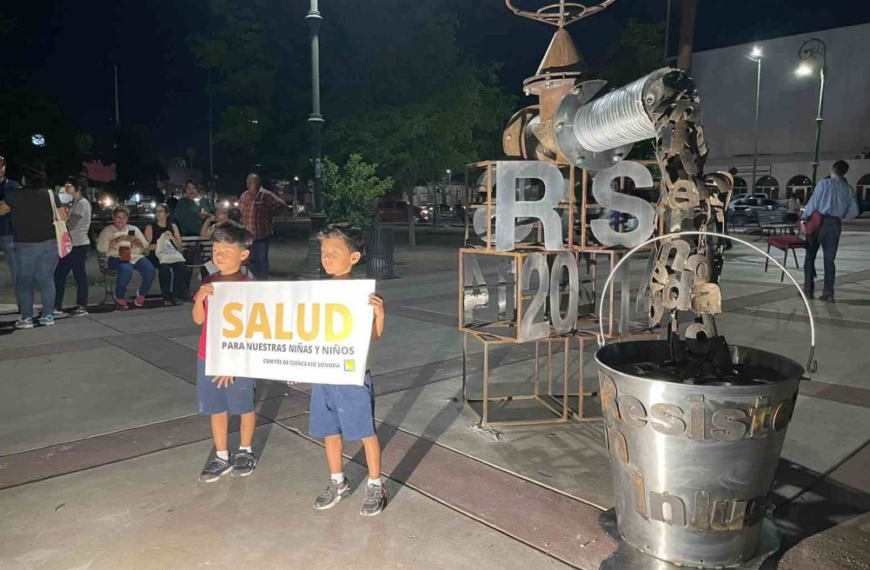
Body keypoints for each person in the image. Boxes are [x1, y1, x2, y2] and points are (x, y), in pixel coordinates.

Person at [309, 226, 387, 516]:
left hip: (352, 375)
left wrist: (379, 315)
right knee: (329, 430)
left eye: (334, 252)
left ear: (353, 257)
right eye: (323, 252)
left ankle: (376, 484)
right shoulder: (318, 291)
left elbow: (373, 336)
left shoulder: (362, 294)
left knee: (365, 431)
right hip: (323, 374)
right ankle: (337, 481)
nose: (326, 257)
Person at [191, 221, 257, 482]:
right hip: (208, 354)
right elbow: (198, 320)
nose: (219, 256)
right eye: (215, 251)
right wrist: (199, 298)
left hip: (239, 358)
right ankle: (221, 455)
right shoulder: (209, 281)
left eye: (225, 252)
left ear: (243, 255)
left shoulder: (249, 286)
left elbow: (253, 328)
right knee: (216, 407)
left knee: (243, 405)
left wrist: (232, 362)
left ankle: (245, 450)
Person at [3, 163, 61, 329]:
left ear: (25, 179)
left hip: (25, 244)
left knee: (25, 281)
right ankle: (48, 315)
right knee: (46, 280)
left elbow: (1, 210)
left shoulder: (14, 195)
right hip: (50, 243)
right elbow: (61, 216)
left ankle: (27, 318)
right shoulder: (51, 195)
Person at [801, 160, 859, 303]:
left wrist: (803, 219)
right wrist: (840, 214)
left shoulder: (824, 184)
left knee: (810, 256)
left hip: (818, 223)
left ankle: (808, 290)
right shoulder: (848, 188)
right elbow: (854, 211)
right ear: (844, 172)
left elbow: (812, 204)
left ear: (832, 169)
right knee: (829, 260)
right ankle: (828, 293)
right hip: (835, 225)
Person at [97, 205, 157, 310]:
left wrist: (134, 240)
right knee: (126, 269)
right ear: (113, 217)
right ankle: (119, 295)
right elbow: (101, 248)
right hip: (116, 256)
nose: (121, 220)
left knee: (150, 269)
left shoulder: (133, 229)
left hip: (134, 255)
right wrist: (116, 240)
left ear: (127, 218)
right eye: (118, 217)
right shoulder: (108, 231)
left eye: (124, 217)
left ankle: (142, 294)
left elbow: (145, 245)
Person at [237, 173, 291, 279]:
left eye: (251, 182)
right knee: (250, 260)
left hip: (262, 233)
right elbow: (240, 209)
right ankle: (252, 279)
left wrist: (271, 214)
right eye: (247, 182)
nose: (248, 185)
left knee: (261, 259)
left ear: (257, 183)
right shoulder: (244, 195)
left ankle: (263, 280)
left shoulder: (266, 195)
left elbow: (282, 205)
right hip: (248, 235)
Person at [53, 177, 92, 316]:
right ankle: (56, 305)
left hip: (78, 245)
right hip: (72, 245)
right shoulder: (76, 202)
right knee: (60, 274)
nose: (66, 187)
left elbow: (70, 224)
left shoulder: (82, 203)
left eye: (69, 185)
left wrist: (59, 224)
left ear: (78, 188)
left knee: (78, 275)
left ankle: (81, 305)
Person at [145, 204, 190, 305]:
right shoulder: (150, 227)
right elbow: (146, 246)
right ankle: (167, 297)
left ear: (167, 214)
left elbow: (179, 245)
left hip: (171, 254)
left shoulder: (173, 226)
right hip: (157, 255)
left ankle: (177, 295)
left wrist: (172, 238)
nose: (157, 214)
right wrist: (160, 244)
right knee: (164, 268)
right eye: (156, 211)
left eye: (160, 211)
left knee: (182, 268)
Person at [0, 156, 20, 295]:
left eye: (1, 165)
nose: (0, 169)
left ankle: (22, 304)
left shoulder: (13, 186)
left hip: (9, 234)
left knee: (17, 271)